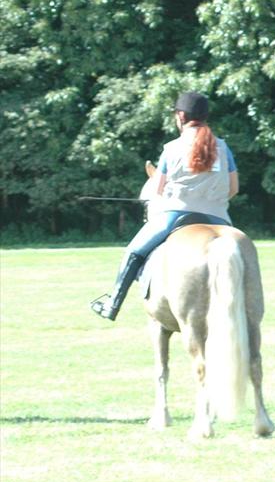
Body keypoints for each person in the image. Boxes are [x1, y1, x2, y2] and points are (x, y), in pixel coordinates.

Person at [90, 92, 238, 321]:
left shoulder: (172, 148)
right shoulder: (223, 148)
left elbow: (158, 190)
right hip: (219, 218)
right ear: (205, 117)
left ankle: (112, 305)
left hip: (175, 215)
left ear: (180, 116)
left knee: (133, 252)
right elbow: (233, 188)